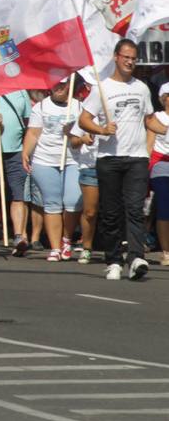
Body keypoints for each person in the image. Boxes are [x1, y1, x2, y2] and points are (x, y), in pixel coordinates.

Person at [78, 39, 157, 281]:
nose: (130, 62)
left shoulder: (142, 88)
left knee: (134, 208)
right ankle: (113, 260)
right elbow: (83, 120)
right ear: (116, 57)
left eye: (134, 58)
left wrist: (163, 128)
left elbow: (150, 120)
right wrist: (101, 130)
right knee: (111, 212)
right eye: (126, 57)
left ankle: (135, 257)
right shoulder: (102, 88)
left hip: (136, 158)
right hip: (109, 158)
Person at [22, 77, 95, 262]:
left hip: (73, 160)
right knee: (52, 204)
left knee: (72, 201)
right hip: (45, 160)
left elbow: (87, 131)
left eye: (63, 84)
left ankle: (66, 239)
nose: (59, 87)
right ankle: (55, 247)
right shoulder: (41, 107)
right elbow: (33, 132)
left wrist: (79, 134)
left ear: (70, 86)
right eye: (56, 84)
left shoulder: (79, 107)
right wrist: (25, 152)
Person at [0, 89, 37, 254]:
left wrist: (26, 150)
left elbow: (29, 122)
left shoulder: (21, 91)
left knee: (18, 195)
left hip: (16, 151)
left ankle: (18, 236)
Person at [148, 84, 169, 265]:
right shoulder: (157, 118)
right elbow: (149, 144)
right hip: (160, 165)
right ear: (164, 98)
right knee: (164, 205)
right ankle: (166, 251)